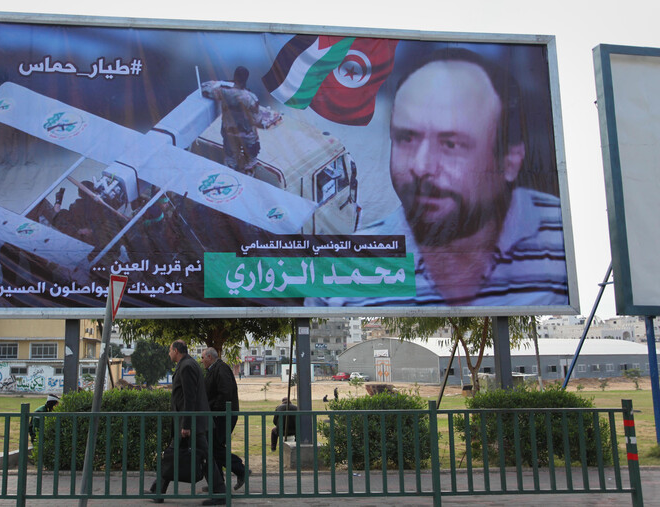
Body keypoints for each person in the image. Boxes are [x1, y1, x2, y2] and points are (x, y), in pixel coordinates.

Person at [308, 48, 567, 307]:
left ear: (510, 160)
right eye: (407, 138)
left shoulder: (563, 239)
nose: (421, 167)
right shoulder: (344, 267)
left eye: (451, 144)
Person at [147, 341, 226, 505]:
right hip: (189, 422)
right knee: (173, 454)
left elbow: (190, 398)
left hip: (191, 424)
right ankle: (158, 490)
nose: (169, 353)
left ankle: (220, 494)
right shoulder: (188, 364)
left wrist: (186, 425)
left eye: (170, 350)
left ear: (176, 351)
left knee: (203, 458)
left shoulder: (187, 366)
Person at [202, 66, 265, 176]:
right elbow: (258, 120)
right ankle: (248, 177)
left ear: (234, 77)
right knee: (250, 161)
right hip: (247, 135)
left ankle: (229, 176)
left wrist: (223, 82)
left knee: (230, 159)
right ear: (246, 79)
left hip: (229, 132)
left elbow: (205, 88)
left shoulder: (223, 91)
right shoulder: (251, 98)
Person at [201, 347, 250, 491]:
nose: (202, 361)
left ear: (209, 357)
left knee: (214, 447)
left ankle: (240, 470)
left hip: (222, 416)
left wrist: (215, 411)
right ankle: (218, 484)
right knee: (213, 447)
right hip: (219, 415)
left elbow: (225, 393)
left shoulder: (221, 369)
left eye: (203, 358)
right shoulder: (215, 369)